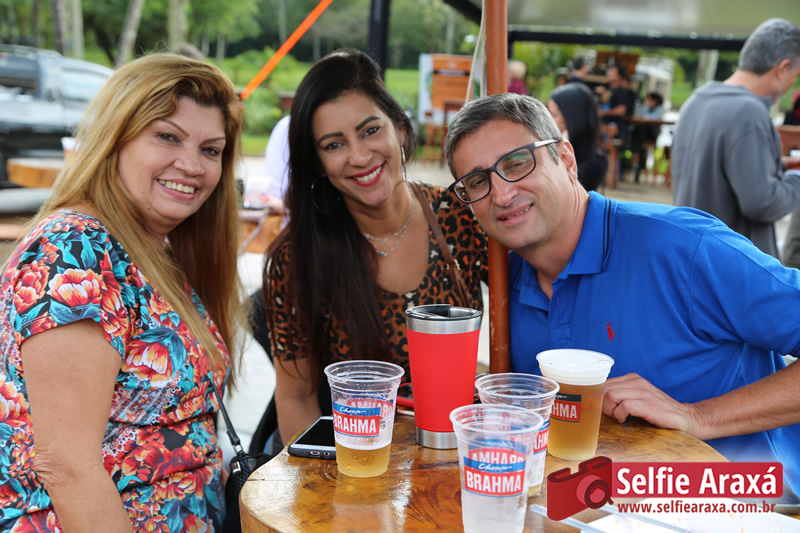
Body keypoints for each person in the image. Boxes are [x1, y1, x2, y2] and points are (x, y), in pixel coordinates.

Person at [444, 92, 800, 497]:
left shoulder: (681, 247)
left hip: (743, 503)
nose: (502, 194)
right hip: (588, 505)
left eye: (516, 163)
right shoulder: (505, 283)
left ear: (566, 159)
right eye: (477, 182)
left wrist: (698, 417)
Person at [0, 54, 246, 531]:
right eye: (168, 137)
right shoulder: (75, 251)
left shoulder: (152, 251)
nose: (192, 165)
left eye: (211, 150)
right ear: (116, 138)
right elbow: (67, 466)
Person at [263, 49, 488, 451]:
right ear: (318, 163)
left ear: (399, 128)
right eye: (334, 144)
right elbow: (295, 397)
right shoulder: (297, 258)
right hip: (357, 460)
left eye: (370, 131)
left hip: (456, 453)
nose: (359, 156)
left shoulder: (462, 215)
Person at [672, 18, 800, 259]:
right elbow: (761, 203)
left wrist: (779, 165)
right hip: (733, 266)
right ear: (782, 68)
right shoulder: (749, 112)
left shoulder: (696, 101)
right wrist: (795, 180)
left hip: (694, 257)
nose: (793, 82)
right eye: (796, 74)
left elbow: (714, 170)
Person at [548, 83, 608, 191]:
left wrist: (563, 151)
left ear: (572, 119)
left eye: (554, 115)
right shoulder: (549, 144)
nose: (549, 121)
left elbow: (560, 189)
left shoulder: (594, 163)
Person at [629, 91, 664, 183]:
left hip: (652, 134)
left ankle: (637, 165)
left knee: (639, 132)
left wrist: (643, 116)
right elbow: (639, 115)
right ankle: (638, 164)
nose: (647, 101)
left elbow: (654, 117)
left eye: (649, 100)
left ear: (655, 101)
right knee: (638, 132)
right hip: (641, 135)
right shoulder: (645, 107)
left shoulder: (659, 108)